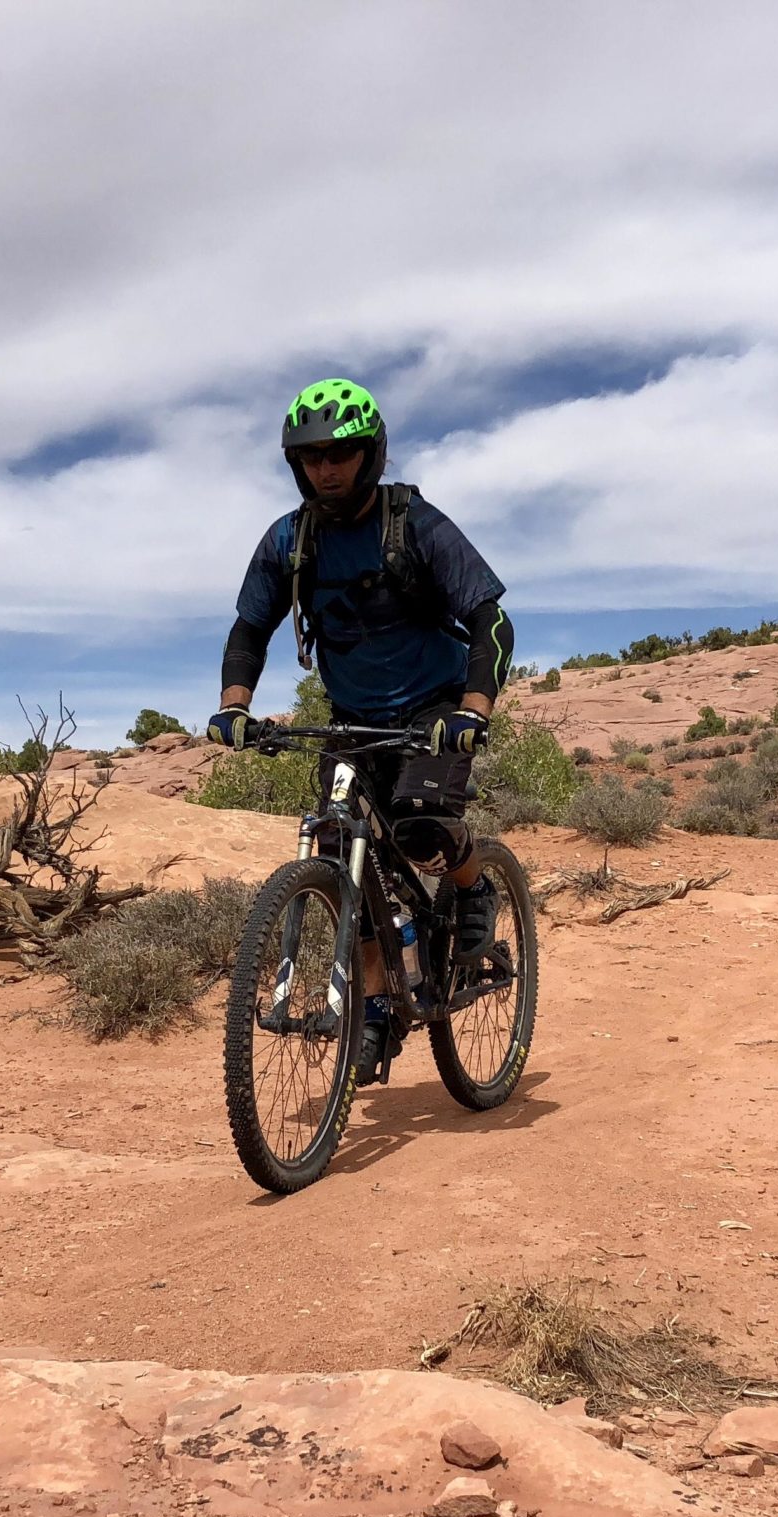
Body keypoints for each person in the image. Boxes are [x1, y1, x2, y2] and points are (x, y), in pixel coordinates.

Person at [207, 378, 517, 1084]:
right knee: (343, 851)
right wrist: (234, 705)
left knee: (422, 830)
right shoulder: (291, 541)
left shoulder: (413, 522)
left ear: (369, 454)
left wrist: (473, 711)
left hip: (433, 709)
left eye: (341, 453)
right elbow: (250, 628)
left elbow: (490, 618)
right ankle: (376, 1011)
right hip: (352, 721)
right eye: (312, 457)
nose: (327, 468)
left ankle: (474, 888)